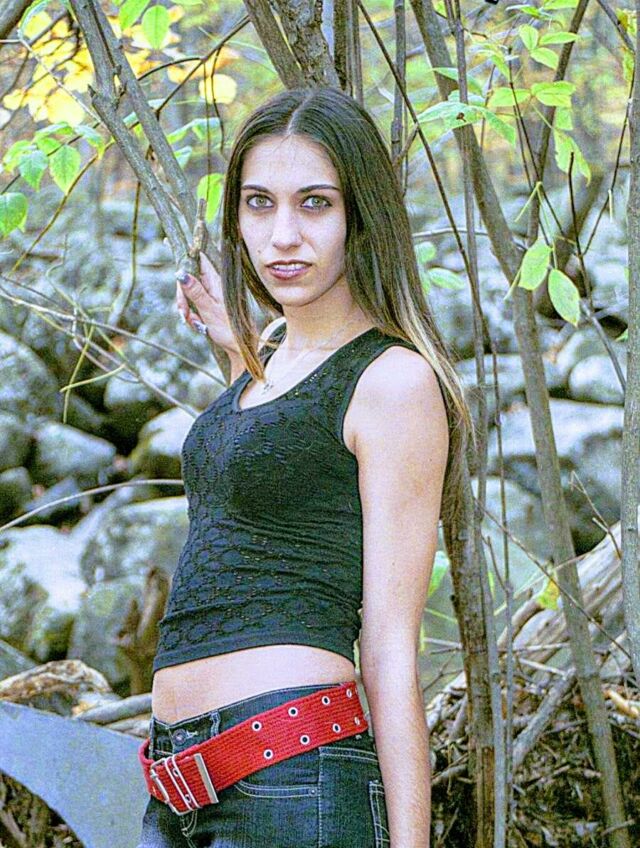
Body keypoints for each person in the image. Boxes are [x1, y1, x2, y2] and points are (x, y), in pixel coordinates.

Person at [136, 85, 471, 848]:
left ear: (361, 216)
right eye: (259, 204)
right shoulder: (269, 361)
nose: (282, 236)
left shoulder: (393, 382)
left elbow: (390, 646)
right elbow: (266, 473)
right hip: (175, 787)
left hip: (291, 780)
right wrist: (238, 346)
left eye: (314, 203)